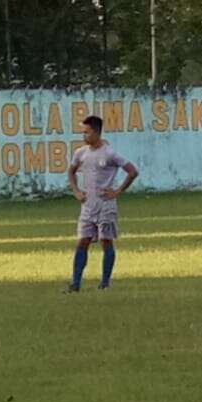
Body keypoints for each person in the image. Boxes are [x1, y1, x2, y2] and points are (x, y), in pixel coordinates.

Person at [65, 115, 139, 292]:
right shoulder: (81, 153)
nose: (84, 136)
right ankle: (75, 283)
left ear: (97, 132)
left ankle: (105, 283)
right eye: (83, 132)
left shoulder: (109, 153)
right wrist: (76, 190)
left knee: (106, 241)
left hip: (105, 205)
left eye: (87, 132)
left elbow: (132, 171)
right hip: (87, 205)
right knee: (82, 241)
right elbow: (71, 170)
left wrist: (117, 191)